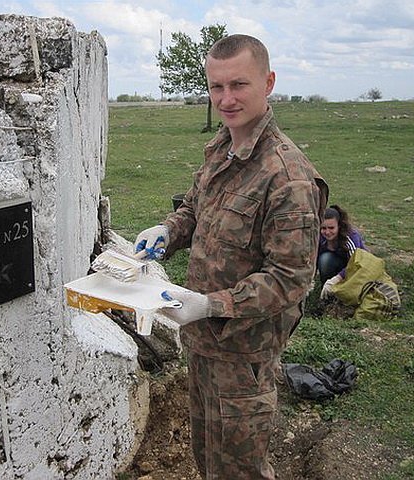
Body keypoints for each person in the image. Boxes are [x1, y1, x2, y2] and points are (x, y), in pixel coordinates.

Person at [134, 34, 328, 479]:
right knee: (208, 458)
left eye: (238, 85)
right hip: (201, 340)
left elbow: (290, 280)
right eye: (216, 86)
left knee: (239, 470)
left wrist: (210, 305)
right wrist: (168, 230)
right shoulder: (223, 146)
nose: (226, 98)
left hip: (243, 354)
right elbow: (195, 207)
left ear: (269, 82)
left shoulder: (288, 176)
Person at [317, 205, 367, 299]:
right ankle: (327, 295)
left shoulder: (351, 237)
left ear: (339, 226)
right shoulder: (320, 237)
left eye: (331, 228)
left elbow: (355, 264)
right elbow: (313, 259)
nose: (327, 232)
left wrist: (337, 278)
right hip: (336, 263)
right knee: (325, 260)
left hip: (357, 266)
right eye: (323, 228)